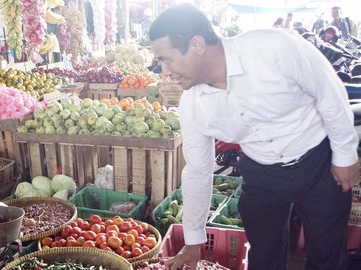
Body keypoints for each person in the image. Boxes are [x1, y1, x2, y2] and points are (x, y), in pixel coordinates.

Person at [149, 4, 358, 270]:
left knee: (327, 255)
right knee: (263, 257)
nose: (165, 71)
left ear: (197, 44)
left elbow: (329, 92)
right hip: (261, 175)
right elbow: (198, 171)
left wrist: (345, 155)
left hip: (317, 162)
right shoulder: (193, 105)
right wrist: (193, 242)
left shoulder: (272, 48)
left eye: (166, 59)